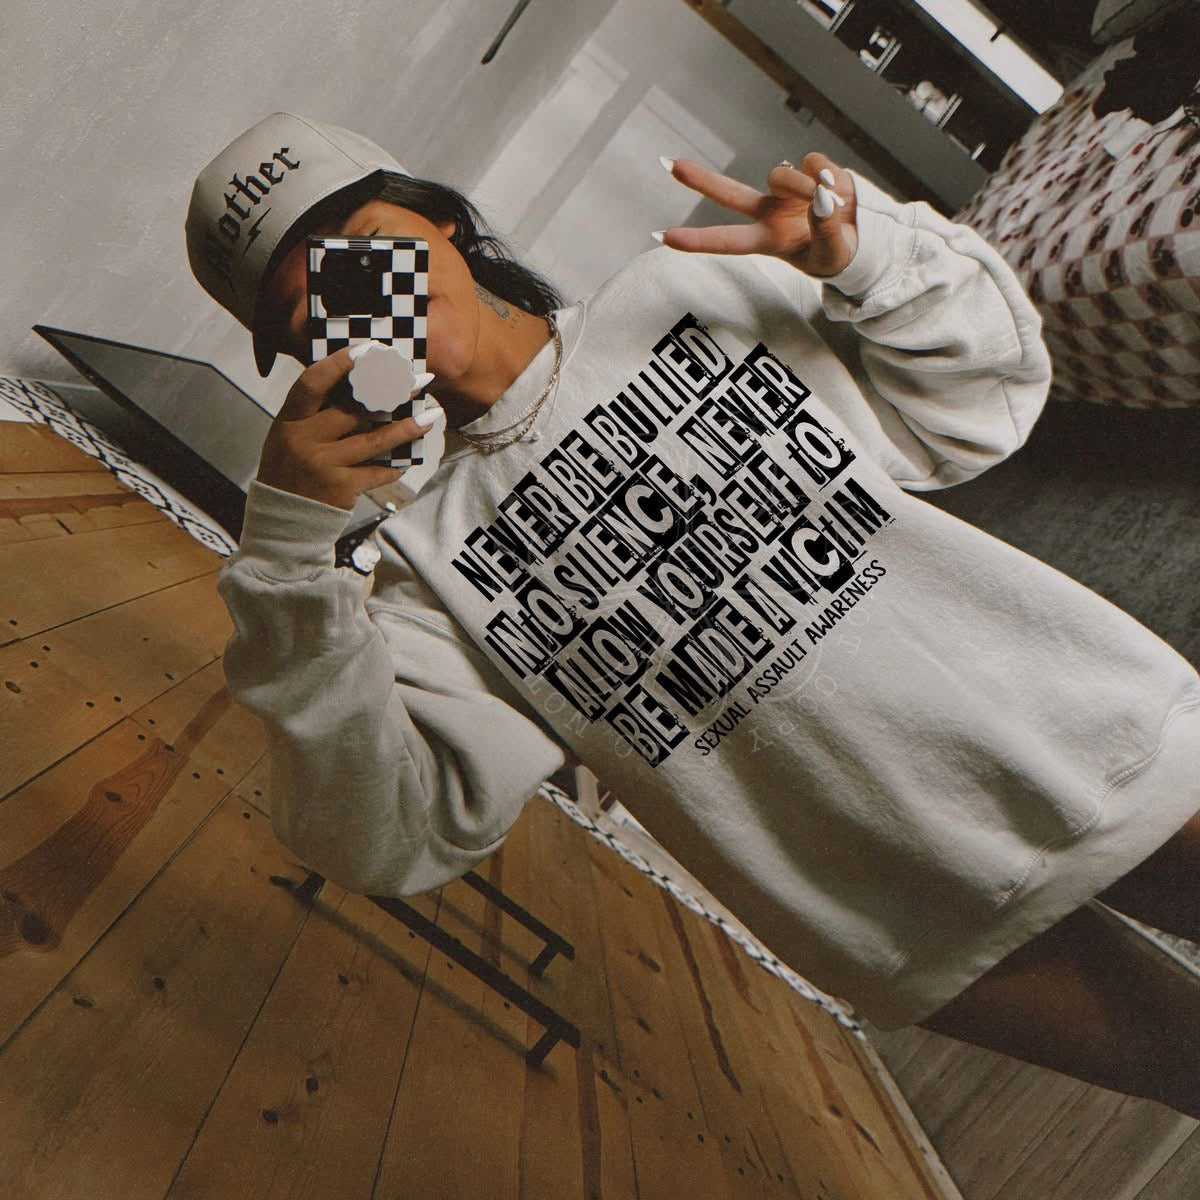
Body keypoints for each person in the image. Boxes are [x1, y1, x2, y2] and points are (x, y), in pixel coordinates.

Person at [186, 113, 1200, 1116]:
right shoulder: (427, 567)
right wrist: (287, 557)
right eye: (310, 307)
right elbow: (380, 835)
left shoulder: (680, 292)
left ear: (442, 221)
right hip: (897, 902)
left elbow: (982, 399)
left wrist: (874, 257)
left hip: (1080, 730)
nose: (359, 298)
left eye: (365, 246)